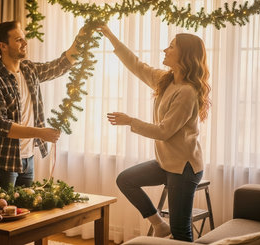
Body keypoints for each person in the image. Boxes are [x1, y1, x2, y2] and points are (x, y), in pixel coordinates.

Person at [98, 25, 211, 242]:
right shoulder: (166, 80)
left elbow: (164, 131)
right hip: (166, 163)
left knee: (181, 232)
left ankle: (167, 229)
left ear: (184, 55)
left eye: (171, 47)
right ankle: (159, 224)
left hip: (184, 169)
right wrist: (110, 34)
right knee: (126, 180)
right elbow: (136, 65)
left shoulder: (187, 92)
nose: (165, 50)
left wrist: (130, 121)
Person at [0, 21, 83, 190]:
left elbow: (60, 66)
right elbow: (1, 125)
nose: (25, 43)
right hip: (3, 162)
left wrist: (81, 38)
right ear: (3, 46)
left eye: (24, 38)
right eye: (19, 40)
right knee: (2, 213)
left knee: (26, 213)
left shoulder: (28, 69)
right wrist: (40, 133)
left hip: (28, 159)